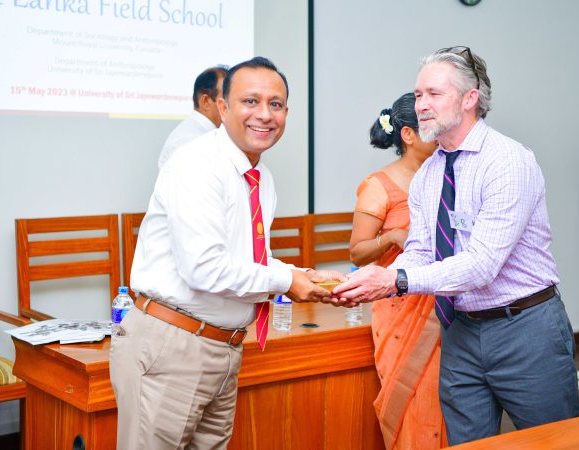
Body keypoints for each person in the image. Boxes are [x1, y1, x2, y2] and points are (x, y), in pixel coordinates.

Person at [333, 47, 579, 446]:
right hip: (461, 330)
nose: (422, 105)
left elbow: (482, 265)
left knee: (555, 442)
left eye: (434, 94)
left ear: (470, 99)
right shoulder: (429, 174)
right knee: (465, 443)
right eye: (418, 95)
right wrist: (379, 278)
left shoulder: (507, 161)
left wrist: (396, 280)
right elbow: (420, 250)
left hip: (525, 329)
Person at [111, 56, 343, 450]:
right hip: (173, 346)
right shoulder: (197, 164)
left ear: (286, 113)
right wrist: (285, 280)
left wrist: (301, 273)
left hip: (224, 348)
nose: (264, 114)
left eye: (275, 104)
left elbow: (244, 259)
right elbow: (204, 268)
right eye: (250, 101)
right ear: (222, 107)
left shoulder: (260, 177)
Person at [350, 93, 445, 450]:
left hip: (446, 306)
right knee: (413, 402)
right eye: (432, 128)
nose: (442, 135)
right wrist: (391, 237)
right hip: (400, 310)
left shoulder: (447, 175)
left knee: (446, 403)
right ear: (408, 135)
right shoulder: (379, 185)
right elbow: (357, 252)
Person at [158, 65, 228, 169]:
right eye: (227, 98)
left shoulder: (211, 135)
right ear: (205, 101)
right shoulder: (188, 140)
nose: (234, 105)